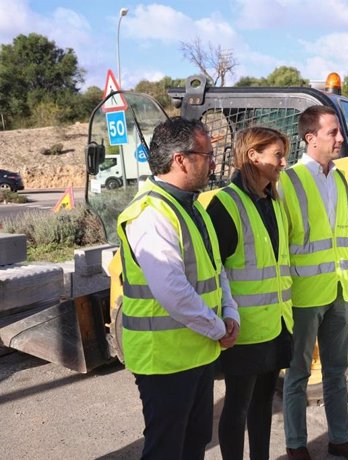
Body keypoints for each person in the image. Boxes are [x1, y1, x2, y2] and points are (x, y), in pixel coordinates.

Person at [116, 117, 240, 460]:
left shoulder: (191, 205)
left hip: (196, 351)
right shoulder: (151, 213)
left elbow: (216, 270)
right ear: (181, 159)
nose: (214, 162)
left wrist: (229, 312)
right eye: (207, 154)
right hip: (164, 360)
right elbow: (172, 291)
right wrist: (217, 328)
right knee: (166, 448)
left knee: (194, 442)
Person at [279, 105, 348, 460]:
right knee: (298, 374)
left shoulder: (338, 178)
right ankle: (296, 446)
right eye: (332, 132)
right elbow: (282, 243)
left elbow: (346, 233)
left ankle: (339, 438)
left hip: (338, 289)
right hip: (303, 294)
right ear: (310, 138)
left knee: (336, 373)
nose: (339, 138)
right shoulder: (288, 181)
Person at [202, 127, 293, 460]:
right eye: (277, 155)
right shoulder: (225, 204)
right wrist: (225, 316)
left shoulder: (273, 201)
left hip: (276, 325)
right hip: (243, 328)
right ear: (253, 155)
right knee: (237, 407)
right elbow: (215, 270)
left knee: (263, 405)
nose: (284, 162)